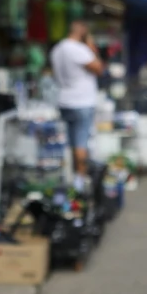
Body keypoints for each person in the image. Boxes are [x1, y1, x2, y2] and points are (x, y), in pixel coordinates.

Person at [50, 21, 103, 187]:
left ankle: (68, 178)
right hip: (81, 101)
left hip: (64, 99)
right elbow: (99, 68)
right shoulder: (79, 49)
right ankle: (80, 182)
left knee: (68, 143)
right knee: (81, 143)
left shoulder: (57, 49)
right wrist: (91, 47)